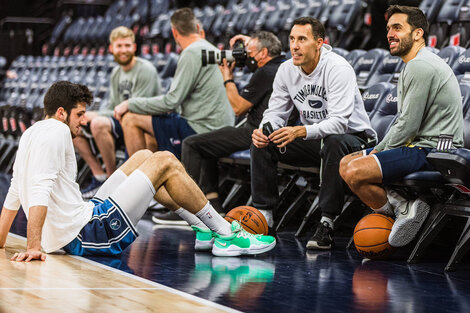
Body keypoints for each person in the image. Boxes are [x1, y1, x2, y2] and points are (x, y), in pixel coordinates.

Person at [0, 81, 275, 261]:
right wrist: (33, 246)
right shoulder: (58, 131)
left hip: (85, 215)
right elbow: (38, 189)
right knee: (165, 160)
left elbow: (15, 190)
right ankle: (226, 234)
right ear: (61, 113)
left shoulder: (32, 133)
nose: (84, 121)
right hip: (88, 234)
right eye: (80, 114)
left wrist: (0, 242)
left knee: (144, 156)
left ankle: (202, 230)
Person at [340, 5, 463, 247]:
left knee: (354, 171)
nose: (389, 34)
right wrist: (381, 148)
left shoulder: (421, 65)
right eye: (388, 28)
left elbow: (408, 124)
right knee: (346, 164)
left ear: (418, 33)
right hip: (417, 145)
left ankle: (401, 211)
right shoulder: (414, 64)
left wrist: (379, 150)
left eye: (398, 28)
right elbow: (405, 122)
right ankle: (402, 205)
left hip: (434, 151)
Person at [251, 17, 376, 249]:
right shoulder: (286, 69)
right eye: (291, 39)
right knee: (263, 142)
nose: (294, 46)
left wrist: (299, 131)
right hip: (315, 138)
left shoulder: (337, 68)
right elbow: (275, 112)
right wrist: (265, 128)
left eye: (302, 39)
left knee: (334, 141)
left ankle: (327, 222)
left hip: (354, 141)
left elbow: (339, 123)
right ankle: (263, 216)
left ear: (319, 43)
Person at [179, 31, 297, 221]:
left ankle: (187, 208)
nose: (245, 56)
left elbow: (238, 108)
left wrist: (227, 76)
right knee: (209, 142)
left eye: (249, 51)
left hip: (255, 132)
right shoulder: (283, 66)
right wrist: (247, 41)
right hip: (270, 129)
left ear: (263, 53)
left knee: (192, 144)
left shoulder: (266, 71)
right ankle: (213, 203)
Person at [113, 8, 234, 159]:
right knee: (152, 132)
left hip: (203, 130)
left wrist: (129, 103)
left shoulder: (191, 52)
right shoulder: (210, 48)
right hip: (221, 128)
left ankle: (137, 179)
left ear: (174, 32)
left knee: (130, 118)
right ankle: (155, 180)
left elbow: (171, 102)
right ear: (197, 28)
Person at [73, 26, 161, 197]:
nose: (124, 50)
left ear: (135, 48)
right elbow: (114, 106)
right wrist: (92, 114)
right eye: (119, 46)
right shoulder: (116, 73)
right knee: (75, 123)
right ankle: (100, 176)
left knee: (98, 123)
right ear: (111, 48)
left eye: (127, 46)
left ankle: (112, 182)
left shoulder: (146, 69)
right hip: (120, 120)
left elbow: (137, 109)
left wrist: (99, 116)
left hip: (139, 123)